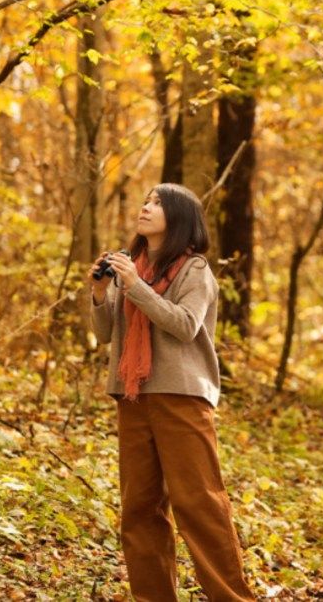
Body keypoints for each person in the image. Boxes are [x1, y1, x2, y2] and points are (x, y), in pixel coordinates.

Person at [89, 183, 254, 601]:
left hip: (181, 396)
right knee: (140, 509)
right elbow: (107, 333)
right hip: (133, 397)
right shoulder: (133, 266)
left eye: (158, 204)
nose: (146, 208)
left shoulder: (194, 270)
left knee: (198, 504)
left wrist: (135, 286)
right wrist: (100, 293)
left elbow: (184, 325)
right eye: (146, 201)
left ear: (179, 218)